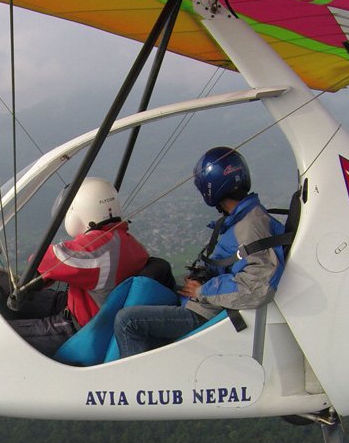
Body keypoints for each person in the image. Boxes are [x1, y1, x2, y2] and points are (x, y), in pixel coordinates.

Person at [113, 147, 285, 358]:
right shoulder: (243, 219)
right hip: (208, 305)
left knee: (127, 321)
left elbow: (258, 287)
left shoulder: (250, 226)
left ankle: (136, 386)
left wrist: (202, 291)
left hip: (207, 312)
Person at [8, 177, 150, 355]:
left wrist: (40, 271)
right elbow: (77, 268)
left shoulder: (100, 247)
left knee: (3, 336)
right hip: (88, 305)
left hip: (79, 327)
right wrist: (44, 279)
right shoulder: (126, 241)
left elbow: (48, 258)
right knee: (24, 298)